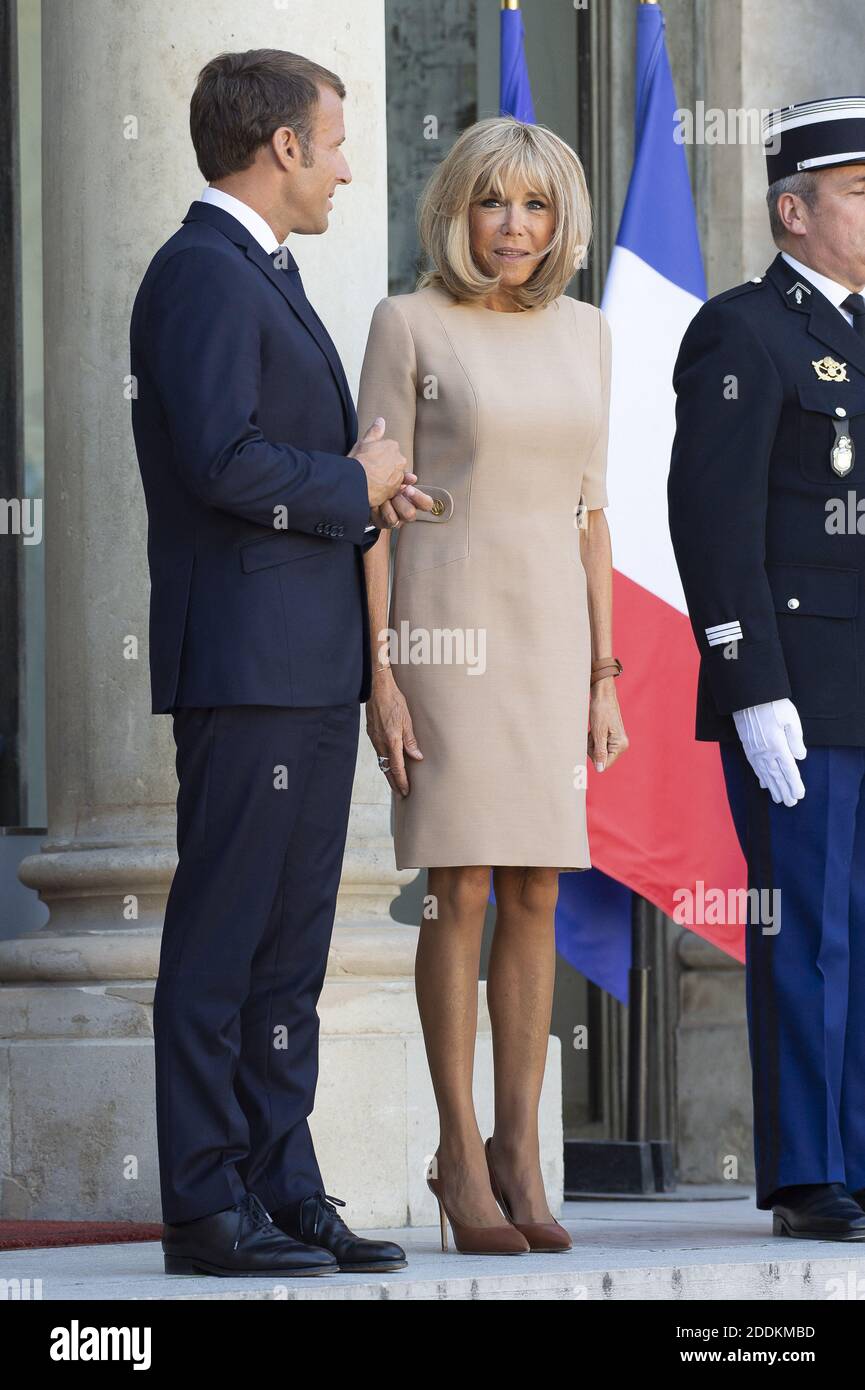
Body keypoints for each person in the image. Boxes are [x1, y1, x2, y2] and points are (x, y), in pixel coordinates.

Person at [130, 48, 433, 1277]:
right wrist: (346, 481)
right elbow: (219, 460)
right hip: (249, 667)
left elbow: (275, 464)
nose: (350, 168)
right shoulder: (201, 271)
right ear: (284, 147)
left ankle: (278, 1182)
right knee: (225, 939)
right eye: (337, 141)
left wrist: (370, 495)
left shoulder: (260, 269)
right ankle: (205, 1205)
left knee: (288, 948)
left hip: (302, 668)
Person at [357, 117, 628, 1255]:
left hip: (551, 633)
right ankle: (457, 1151)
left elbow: (589, 507)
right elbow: (371, 507)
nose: (514, 228)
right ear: (457, 213)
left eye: (536, 207)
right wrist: (380, 670)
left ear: (559, 222)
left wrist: (605, 673)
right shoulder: (405, 321)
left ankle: (522, 1148)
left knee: (538, 888)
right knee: (457, 882)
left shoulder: (591, 332)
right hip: (443, 623)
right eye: (492, 204)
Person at [668, 96, 865, 1241]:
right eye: (855, 192)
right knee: (809, 925)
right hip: (799, 688)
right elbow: (710, 520)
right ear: (792, 211)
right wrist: (749, 684)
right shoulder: (742, 331)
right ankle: (807, 1169)